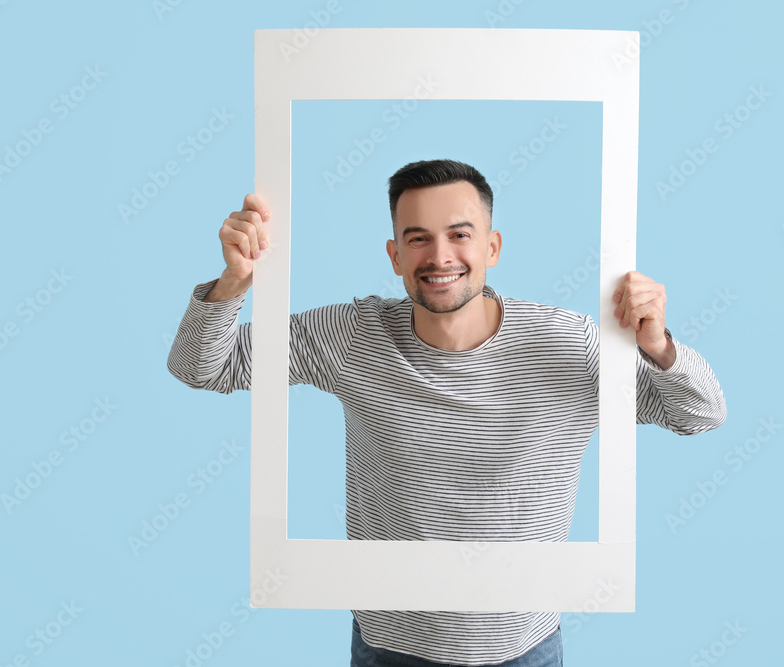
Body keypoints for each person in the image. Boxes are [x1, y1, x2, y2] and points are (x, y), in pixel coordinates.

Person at [168, 159, 726, 667]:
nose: (440, 257)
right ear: (394, 256)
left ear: (493, 247)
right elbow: (204, 367)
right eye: (418, 239)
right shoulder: (352, 336)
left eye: (460, 235)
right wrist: (234, 284)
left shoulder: (566, 343)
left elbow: (700, 413)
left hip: (523, 649)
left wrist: (658, 346)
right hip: (390, 649)